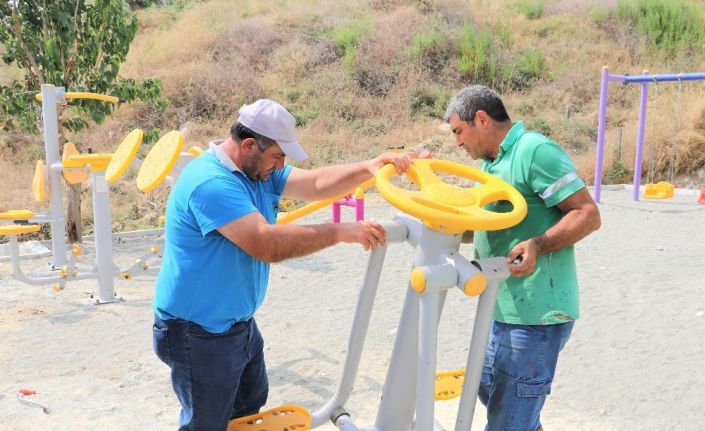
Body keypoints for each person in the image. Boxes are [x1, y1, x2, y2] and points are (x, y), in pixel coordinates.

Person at [152, 98, 427, 431]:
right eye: (278, 156)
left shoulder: (258, 170)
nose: (281, 165)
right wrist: (339, 231)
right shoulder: (211, 182)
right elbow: (265, 243)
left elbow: (314, 184)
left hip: (235, 324)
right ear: (250, 145)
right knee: (206, 423)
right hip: (196, 331)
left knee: (248, 407)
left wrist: (369, 166)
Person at [443, 85, 601, 431]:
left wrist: (538, 245)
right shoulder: (490, 165)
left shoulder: (533, 151)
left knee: (507, 421)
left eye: (458, 131)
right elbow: (487, 226)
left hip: (536, 316)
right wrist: (444, 230)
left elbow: (587, 214)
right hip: (499, 308)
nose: (457, 142)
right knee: (486, 388)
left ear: (481, 119)